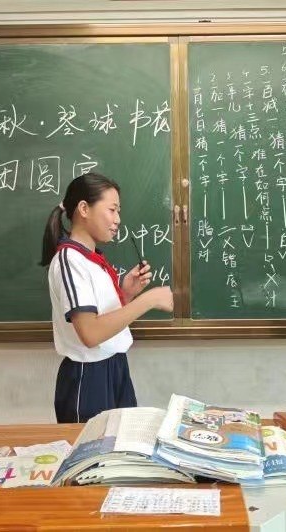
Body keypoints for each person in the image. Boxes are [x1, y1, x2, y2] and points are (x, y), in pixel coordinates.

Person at [40, 172, 173, 423]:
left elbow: (101, 319)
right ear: (84, 209)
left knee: (122, 443)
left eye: (118, 212)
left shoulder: (92, 259)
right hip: (88, 377)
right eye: (112, 210)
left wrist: (126, 294)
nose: (117, 220)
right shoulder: (70, 260)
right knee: (91, 448)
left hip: (114, 366)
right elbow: (90, 333)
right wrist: (150, 300)